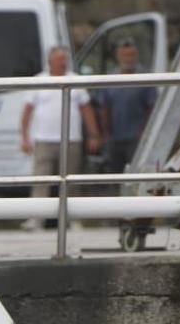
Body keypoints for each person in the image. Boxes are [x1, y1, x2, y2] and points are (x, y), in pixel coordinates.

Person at [18, 46, 101, 223]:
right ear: (50, 61)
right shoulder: (39, 80)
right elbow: (27, 111)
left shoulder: (75, 80)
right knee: (41, 181)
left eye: (65, 59)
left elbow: (86, 109)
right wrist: (24, 137)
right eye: (59, 59)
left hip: (71, 140)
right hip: (44, 140)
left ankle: (73, 220)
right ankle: (36, 219)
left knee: (70, 182)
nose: (63, 62)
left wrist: (94, 135)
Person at [94, 38, 157, 175]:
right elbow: (103, 107)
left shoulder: (145, 78)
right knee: (114, 172)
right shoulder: (109, 79)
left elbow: (152, 107)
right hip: (114, 137)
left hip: (136, 137)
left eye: (131, 55)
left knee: (135, 172)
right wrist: (104, 133)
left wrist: (146, 131)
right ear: (118, 56)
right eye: (125, 55)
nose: (128, 59)